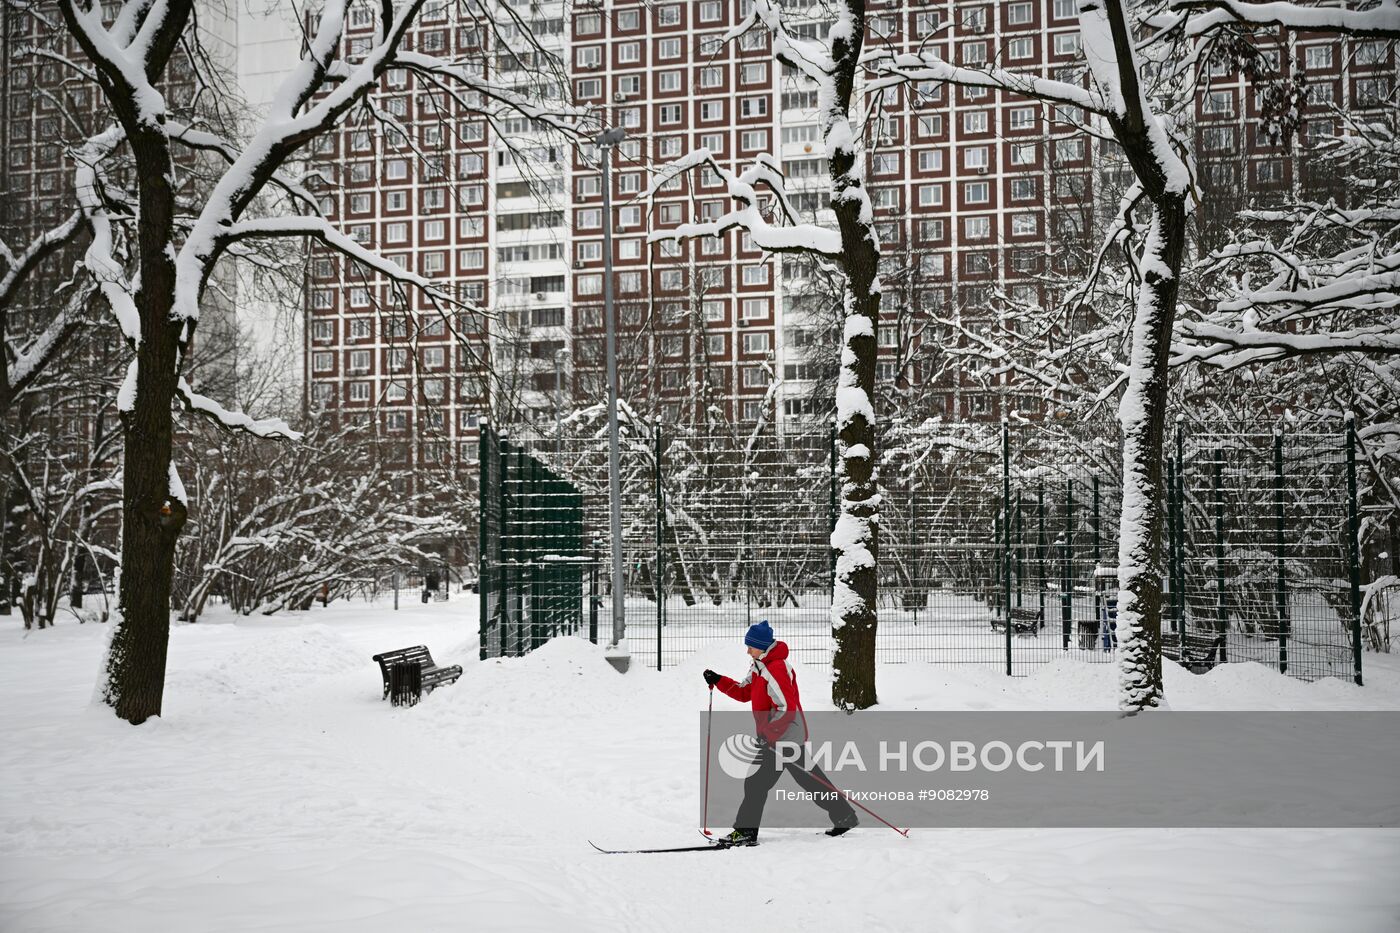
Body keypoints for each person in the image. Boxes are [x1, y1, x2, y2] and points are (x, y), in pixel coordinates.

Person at [702, 620, 858, 847]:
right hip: (780, 736)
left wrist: (769, 734)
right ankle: (845, 815)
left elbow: (786, 707)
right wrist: (719, 680)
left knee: (755, 783)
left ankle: (745, 831)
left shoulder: (775, 669)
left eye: (751, 646)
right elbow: (745, 693)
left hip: (783, 738)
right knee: (810, 779)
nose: (748, 651)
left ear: (763, 646)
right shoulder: (759, 666)